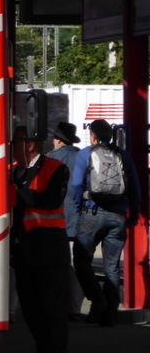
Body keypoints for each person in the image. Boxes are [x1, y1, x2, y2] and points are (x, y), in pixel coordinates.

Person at [10, 126, 71, 353]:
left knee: (51, 309)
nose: (12, 146)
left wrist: (15, 192)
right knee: (32, 309)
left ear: (31, 144)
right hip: (23, 250)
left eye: (16, 141)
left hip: (48, 249)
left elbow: (50, 201)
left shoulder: (56, 168)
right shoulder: (13, 168)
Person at [69, 119, 141, 327]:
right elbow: (135, 187)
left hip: (92, 212)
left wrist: (77, 206)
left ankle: (98, 300)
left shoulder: (86, 153)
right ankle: (110, 313)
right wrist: (133, 214)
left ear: (93, 136)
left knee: (81, 261)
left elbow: (76, 184)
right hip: (118, 216)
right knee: (112, 267)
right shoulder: (123, 155)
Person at [45, 121, 85, 319]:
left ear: (58, 140)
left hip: (56, 222)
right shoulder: (83, 157)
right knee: (78, 267)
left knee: (59, 266)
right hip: (81, 221)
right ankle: (75, 307)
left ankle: (57, 306)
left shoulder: (49, 160)